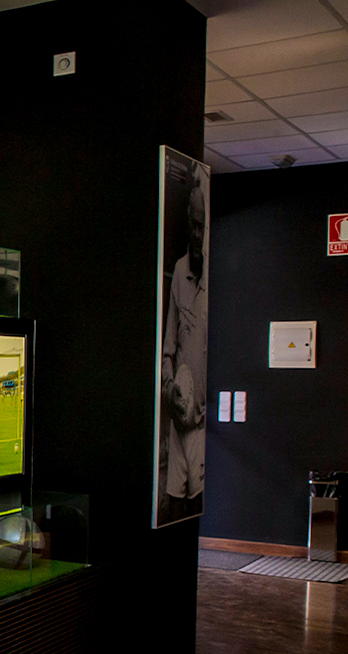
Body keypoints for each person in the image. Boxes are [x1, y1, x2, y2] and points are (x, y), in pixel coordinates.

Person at [160, 170, 208, 523]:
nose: (197, 233)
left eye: (201, 227)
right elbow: (169, 340)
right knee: (174, 492)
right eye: (193, 225)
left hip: (202, 412)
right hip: (180, 411)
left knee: (196, 491)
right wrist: (169, 387)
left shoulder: (210, 276)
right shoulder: (179, 270)